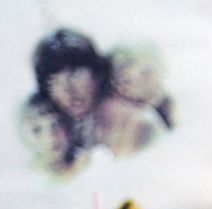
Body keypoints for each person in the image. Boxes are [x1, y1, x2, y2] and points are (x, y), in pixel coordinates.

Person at [32, 27, 165, 159]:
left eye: (74, 75)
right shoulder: (77, 131)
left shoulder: (136, 123)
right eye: (53, 82)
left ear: (97, 73)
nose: (68, 91)